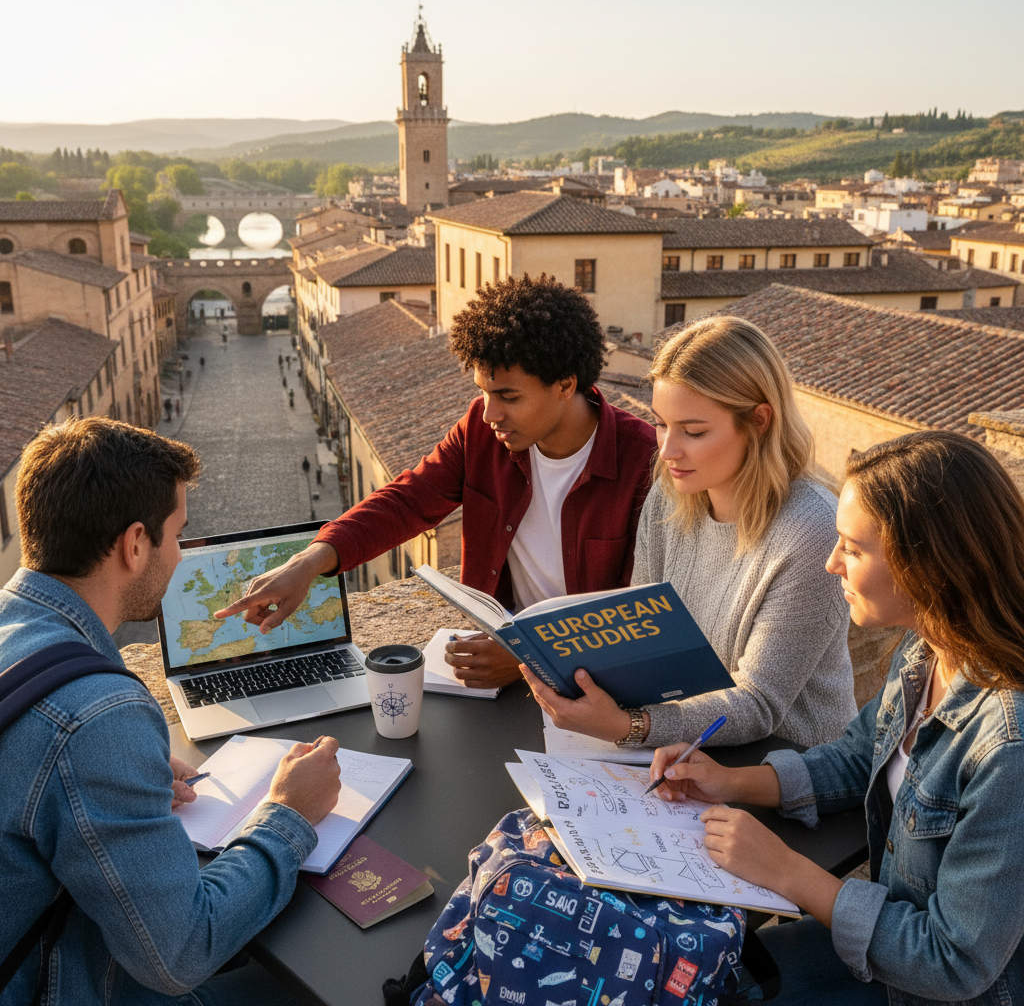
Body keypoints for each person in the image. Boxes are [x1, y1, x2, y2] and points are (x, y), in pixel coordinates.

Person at [649, 430, 1024, 1004]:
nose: (830, 564)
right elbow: (859, 754)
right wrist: (731, 781)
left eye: (851, 548)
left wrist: (785, 871)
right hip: (885, 947)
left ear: (926, 564)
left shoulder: (1009, 748)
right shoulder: (928, 649)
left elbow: (955, 962)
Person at [0, 418, 341, 1006]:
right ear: (135, 544)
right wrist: (290, 814)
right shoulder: (97, 717)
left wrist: (118, 780)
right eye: (178, 534)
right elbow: (181, 954)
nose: (181, 555)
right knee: (334, 983)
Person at [217, 274, 657, 689]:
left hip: (592, 690)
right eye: (483, 391)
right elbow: (407, 501)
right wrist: (309, 563)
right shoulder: (481, 432)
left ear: (565, 384)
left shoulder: (644, 463)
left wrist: (533, 658)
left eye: (508, 396)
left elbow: (646, 618)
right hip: (494, 671)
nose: (489, 413)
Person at [524, 316, 855, 748]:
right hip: (681, 754)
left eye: (693, 431)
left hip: (790, 769)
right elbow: (640, 637)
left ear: (759, 421)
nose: (668, 450)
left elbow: (758, 703)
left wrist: (630, 726)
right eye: (661, 423)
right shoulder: (669, 493)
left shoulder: (810, 533)